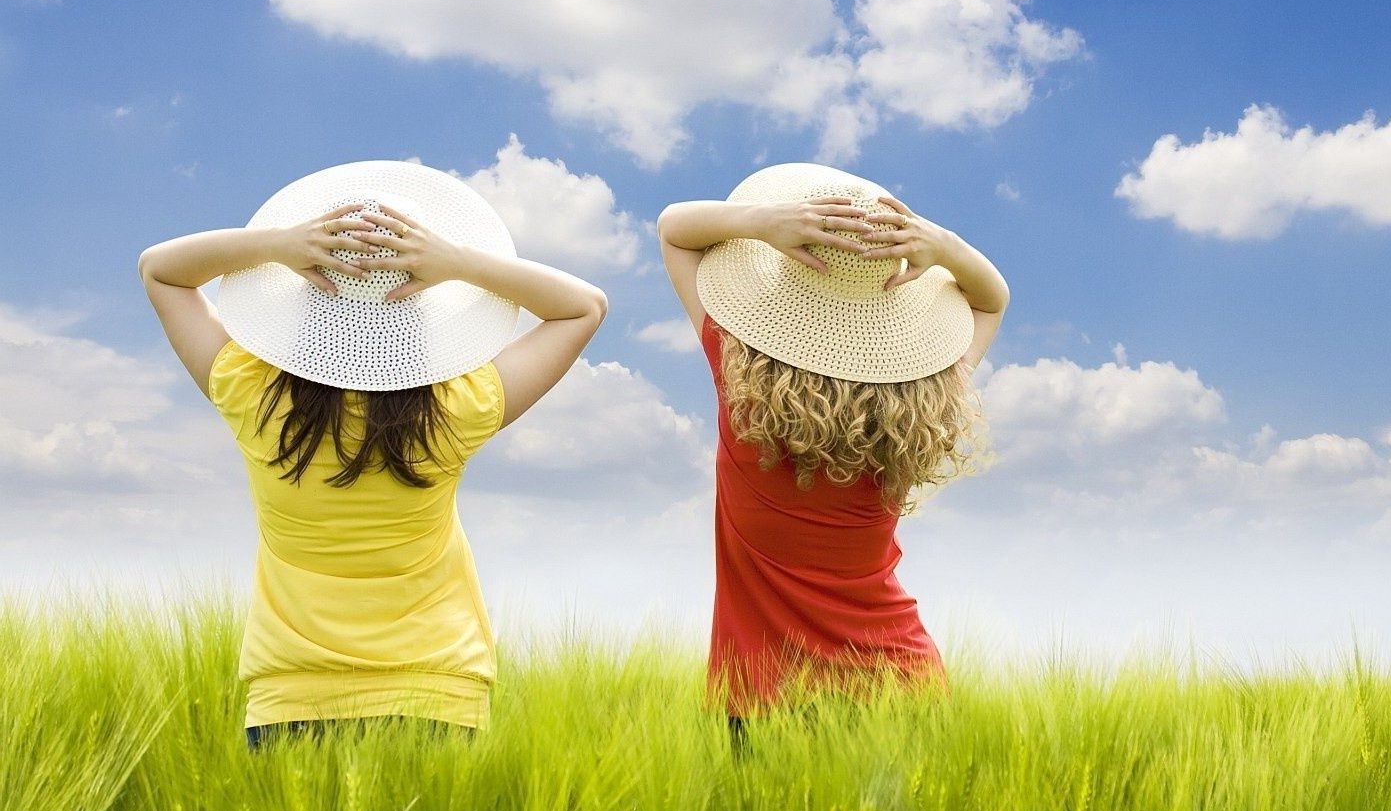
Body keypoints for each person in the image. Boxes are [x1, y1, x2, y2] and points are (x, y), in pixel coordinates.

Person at [138, 160, 607, 747]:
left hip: (290, 697)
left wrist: (279, 245)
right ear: (418, 316)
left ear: (306, 307)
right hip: (438, 693)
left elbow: (160, 272)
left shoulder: (250, 394)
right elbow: (583, 306)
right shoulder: (457, 407)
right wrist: (458, 262)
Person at [657, 162, 1008, 744]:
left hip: (763, 694)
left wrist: (764, 224)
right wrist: (941, 244)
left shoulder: (740, 382)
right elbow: (991, 301)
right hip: (901, 685)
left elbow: (674, 228)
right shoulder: (925, 398)